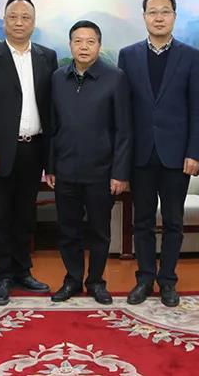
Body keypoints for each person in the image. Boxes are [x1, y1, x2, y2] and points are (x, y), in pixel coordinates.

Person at [117, 0, 199, 307]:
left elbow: (197, 109)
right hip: (140, 155)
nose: (158, 17)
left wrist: (195, 152)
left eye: (165, 11)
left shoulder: (190, 56)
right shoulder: (128, 56)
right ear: (144, 17)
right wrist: (122, 159)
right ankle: (144, 279)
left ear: (174, 17)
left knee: (173, 222)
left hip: (176, 156)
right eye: (152, 11)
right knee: (141, 221)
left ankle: (168, 280)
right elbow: (123, 111)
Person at [0, 0, 58, 306]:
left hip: (34, 149)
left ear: (34, 22)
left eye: (25, 17)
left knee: (24, 215)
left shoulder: (47, 57)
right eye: (13, 17)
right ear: (5, 20)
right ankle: (1, 277)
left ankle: (23, 271)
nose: (19, 22)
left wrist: (51, 159)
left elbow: (52, 109)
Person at [46, 20, 132, 305]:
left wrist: (120, 172)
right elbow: (52, 126)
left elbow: (124, 130)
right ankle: (72, 279)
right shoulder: (57, 78)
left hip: (101, 172)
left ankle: (96, 281)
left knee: (99, 232)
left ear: (99, 45)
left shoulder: (115, 77)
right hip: (65, 170)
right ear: (70, 45)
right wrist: (50, 166)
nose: (84, 47)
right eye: (78, 41)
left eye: (90, 41)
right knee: (67, 231)